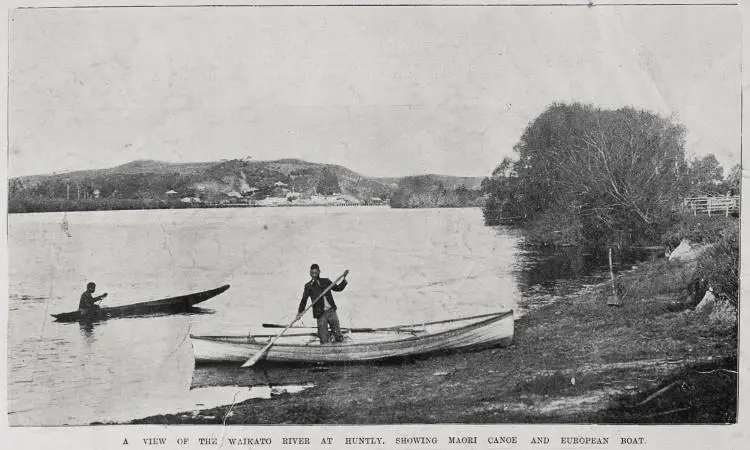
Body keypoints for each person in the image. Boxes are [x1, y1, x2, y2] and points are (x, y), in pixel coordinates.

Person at [296, 264, 348, 344]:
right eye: (312, 273)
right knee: (324, 339)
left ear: (319, 272)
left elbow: (338, 288)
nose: (314, 274)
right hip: (320, 314)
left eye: (316, 272)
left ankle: (339, 351)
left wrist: (344, 279)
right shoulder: (308, 286)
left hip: (331, 311)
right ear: (310, 273)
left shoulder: (326, 281)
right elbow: (304, 300)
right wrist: (299, 313)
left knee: (338, 334)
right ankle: (326, 352)